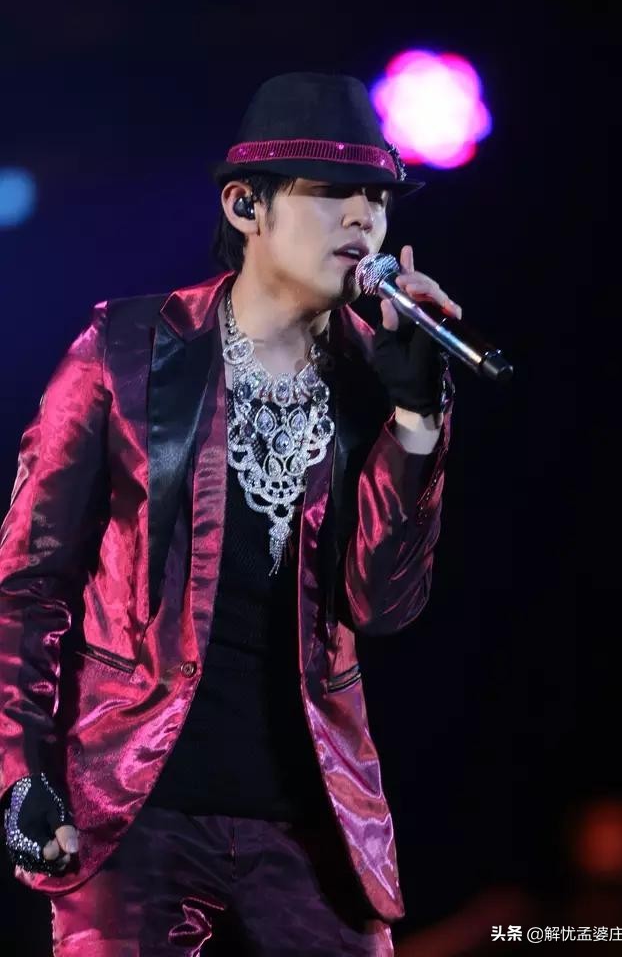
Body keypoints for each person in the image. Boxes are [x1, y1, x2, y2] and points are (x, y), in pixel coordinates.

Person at [0, 72, 458, 955]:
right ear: (247, 205)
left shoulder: (384, 378)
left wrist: (417, 422)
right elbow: (26, 583)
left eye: (378, 197)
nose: (364, 218)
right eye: (333, 192)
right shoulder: (123, 351)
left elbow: (383, 606)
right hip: (133, 810)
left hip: (314, 831)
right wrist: (21, 770)